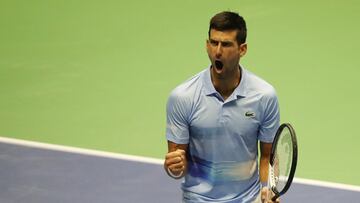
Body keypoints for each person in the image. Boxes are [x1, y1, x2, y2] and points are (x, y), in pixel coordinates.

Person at [164, 11, 280, 203]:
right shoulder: (182, 97)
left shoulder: (264, 96)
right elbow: (178, 165)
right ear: (206, 45)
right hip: (197, 199)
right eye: (213, 42)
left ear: (242, 49)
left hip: (248, 199)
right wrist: (173, 166)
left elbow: (267, 156)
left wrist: (268, 190)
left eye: (226, 44)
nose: (217, 51)